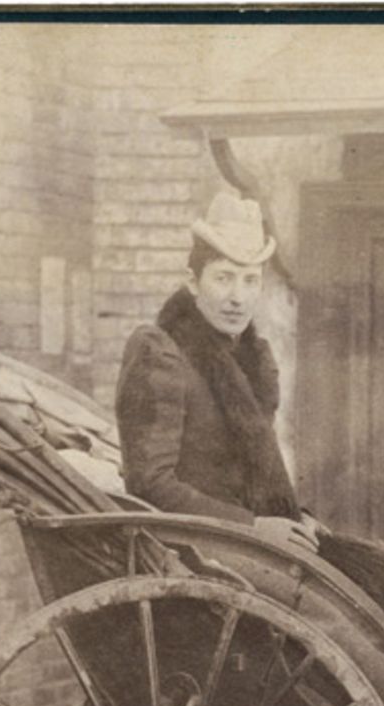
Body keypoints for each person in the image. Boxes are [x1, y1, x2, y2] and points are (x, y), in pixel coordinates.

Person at [114, 190, 319, 552]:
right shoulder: (160, 353)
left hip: (241, 543)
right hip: (189, 550)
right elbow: (149, 484)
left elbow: (254, 474)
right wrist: (252, 528)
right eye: (224, 278)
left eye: (250, 280)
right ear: (193, 282)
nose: (238, 297)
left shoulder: (254, 360)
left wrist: (294, 521)